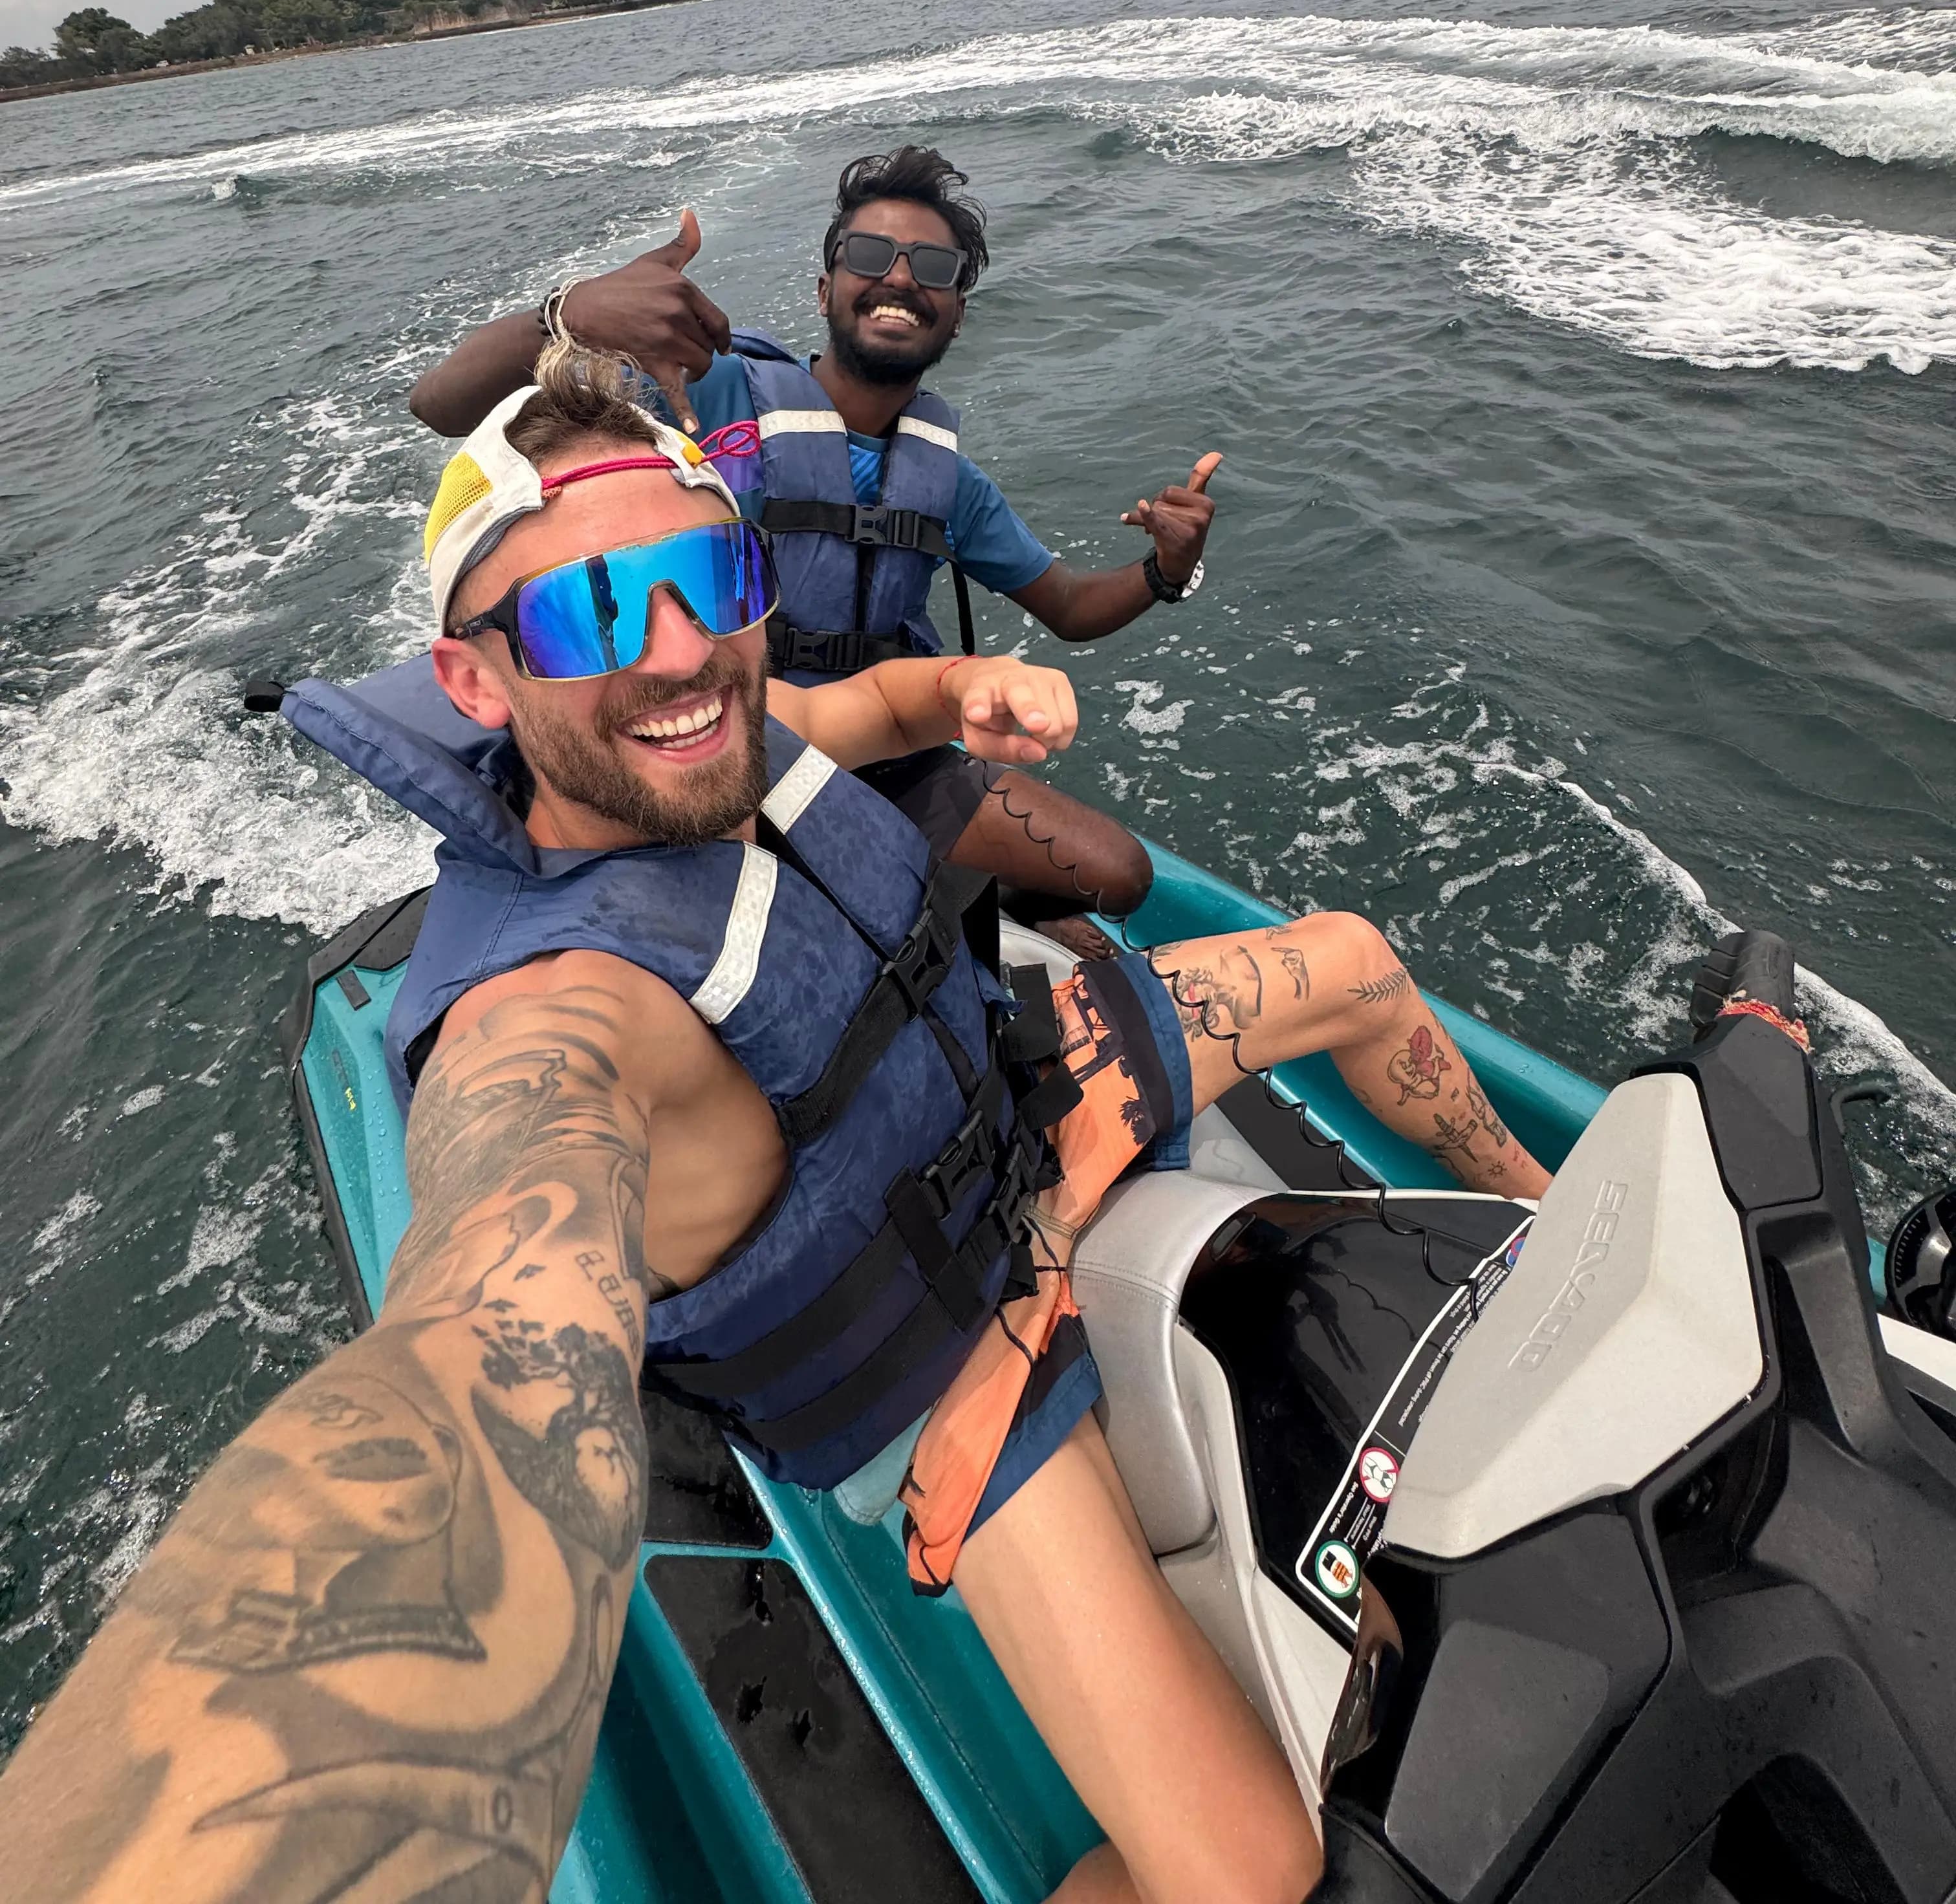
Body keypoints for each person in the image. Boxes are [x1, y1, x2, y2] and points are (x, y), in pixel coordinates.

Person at [1, 352, 1547, 1904]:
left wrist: (966, 691)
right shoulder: (552, 1015)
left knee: (1348, 964)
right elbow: (482, 1338)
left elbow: (866, 702)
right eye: (588, 612)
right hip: (929, 1360)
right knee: (1251, 1879)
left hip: (1010, 1112)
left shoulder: (722, 721)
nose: (679, 652)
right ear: (473, 678)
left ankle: (1552, 1212)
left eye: (708, 576)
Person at [407, 145, 1224, 953]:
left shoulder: (952, 484)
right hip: (698, 736)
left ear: (958, 311)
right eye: (870, 255)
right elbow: (441, 405)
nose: (901, 277)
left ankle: (967, 900)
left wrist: (1165, 571)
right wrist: (566, 317)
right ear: (826, 288)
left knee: (1117, 875)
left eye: (933, 267)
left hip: (878, 751)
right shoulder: (698, 393)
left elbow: (1071, 606)